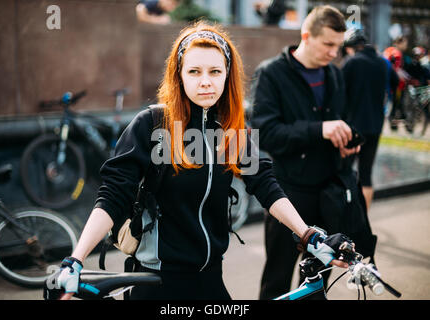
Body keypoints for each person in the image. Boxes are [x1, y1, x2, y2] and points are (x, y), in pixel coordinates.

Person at [54, 21, 350, 300]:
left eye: (215, 72)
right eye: (194, 72)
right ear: (179, 75)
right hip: (157, 280)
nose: (206, 82)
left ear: (227, 75)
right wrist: (75, 260)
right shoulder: (153, 125)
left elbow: (266, 185)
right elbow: (112, 195)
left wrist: (308, 234)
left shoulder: (230, 129)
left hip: (210, 278)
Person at [250, 5, 360, 300]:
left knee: (318, 280)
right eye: (328, 44)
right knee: (277, 277)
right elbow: (266, 133)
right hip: (287, 194)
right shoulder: (271, 73)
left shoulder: (335, 76)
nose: (334, 53)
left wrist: (345, 140)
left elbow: (340, 119)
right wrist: (319, 129)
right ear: (306, 36)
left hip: (328, 193)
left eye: (338, 46)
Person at [341, 28, 388, 210]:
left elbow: (339, 92)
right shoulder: (382, 63)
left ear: (352, 47)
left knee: (344, 171)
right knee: (366, 173)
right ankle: (364, 218)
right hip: (375, 125)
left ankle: (345, 214)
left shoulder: (351, 62)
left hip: (353, 127)